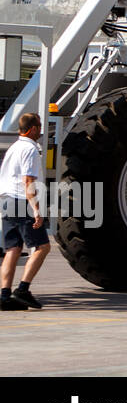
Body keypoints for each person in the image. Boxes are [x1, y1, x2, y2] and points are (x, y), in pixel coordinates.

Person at [0, 114, 50, 310]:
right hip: (21, 202)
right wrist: (36, 209)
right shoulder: (30, 149)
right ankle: (22, 289)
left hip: (5, 201)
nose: (41, 130)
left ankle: (4, 296)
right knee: (42, 247)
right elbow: (28, 180)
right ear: (33, 128)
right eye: (39, 126)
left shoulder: (14, 147)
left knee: (13, 250)